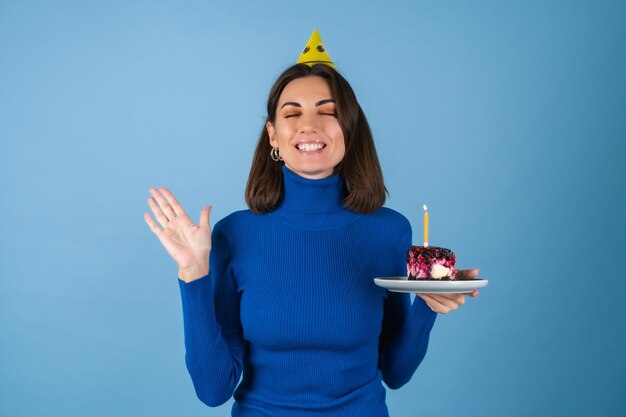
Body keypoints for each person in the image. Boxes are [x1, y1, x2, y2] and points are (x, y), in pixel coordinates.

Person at [144, 41, 479, 416]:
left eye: (328, 111)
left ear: (349, 129)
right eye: (292, 113)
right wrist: (194, 274)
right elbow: (212, 389)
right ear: (273, 135)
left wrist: (429, 304)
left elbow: (396, 372)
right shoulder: (233, 235)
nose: (308, 125)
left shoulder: (389, 231)